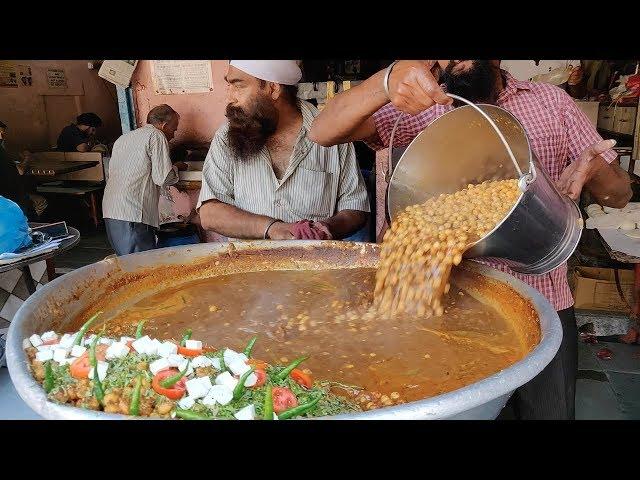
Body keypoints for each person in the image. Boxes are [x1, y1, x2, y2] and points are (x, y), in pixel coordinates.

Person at [309, 60, 633, 420]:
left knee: (550, 412)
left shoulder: (551, 102)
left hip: (544, 300)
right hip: (444, 306)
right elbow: (323, 130)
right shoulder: (418, 103)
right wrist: (387, 81)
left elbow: (619, 195)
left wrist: (595, 170)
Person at [197, 60, 369, 241]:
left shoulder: (334, 134)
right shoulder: (226, 136)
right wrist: (272, 228)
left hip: (315, 265)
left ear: (273, 89)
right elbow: (209, 214)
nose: (229, 98)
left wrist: (325, 228)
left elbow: (355, 208)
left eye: (239, 86)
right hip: (248, 265)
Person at [102, 104, 186, 256]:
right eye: (173, 129)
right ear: (164, 125)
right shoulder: (156, 135)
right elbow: (163, 177)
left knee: (127, 263)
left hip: (111, 210)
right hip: (134, 213)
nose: (173, 135)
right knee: (142, 266)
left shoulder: (124, 138)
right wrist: (177, 168)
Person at [0, 120, 47, 218]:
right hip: (10, 202)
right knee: (40, 201)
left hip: (7, 197)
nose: (1, 137)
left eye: (3, 134)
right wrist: (27, 158)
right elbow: (20, 171)